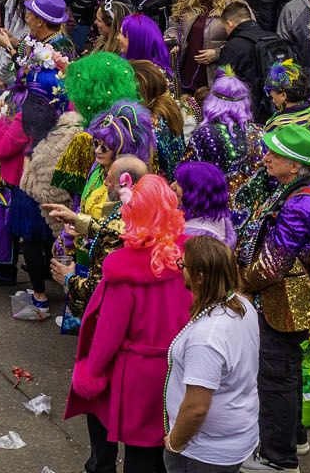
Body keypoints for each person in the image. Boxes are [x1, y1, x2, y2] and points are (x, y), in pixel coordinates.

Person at [66, 173, 191, 473]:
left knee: (139, 455)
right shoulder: (188, 256)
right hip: (181, 368)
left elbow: (108, 333)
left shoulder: (125, 272)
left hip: (139, 375)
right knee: (164, 450)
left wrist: (91, 373)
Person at [237, 123, 310, 473]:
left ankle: (279, 459)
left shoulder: (302, 204)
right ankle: (294, 438)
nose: (265, 158)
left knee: (276, 376)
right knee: (288, 371)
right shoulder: (302, 187)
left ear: (294, 165)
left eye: (274, 154)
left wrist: (243, 285)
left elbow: (272, 264)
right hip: (288, 298)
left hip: (284, 302)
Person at [162, 236, 261, 473]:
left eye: (183, 265)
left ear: (199, 277)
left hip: (203, 454)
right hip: (238, 437)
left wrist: (174, 444)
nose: (180, 270)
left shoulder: (206, 338)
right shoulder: (242, 304)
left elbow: (196, 407)